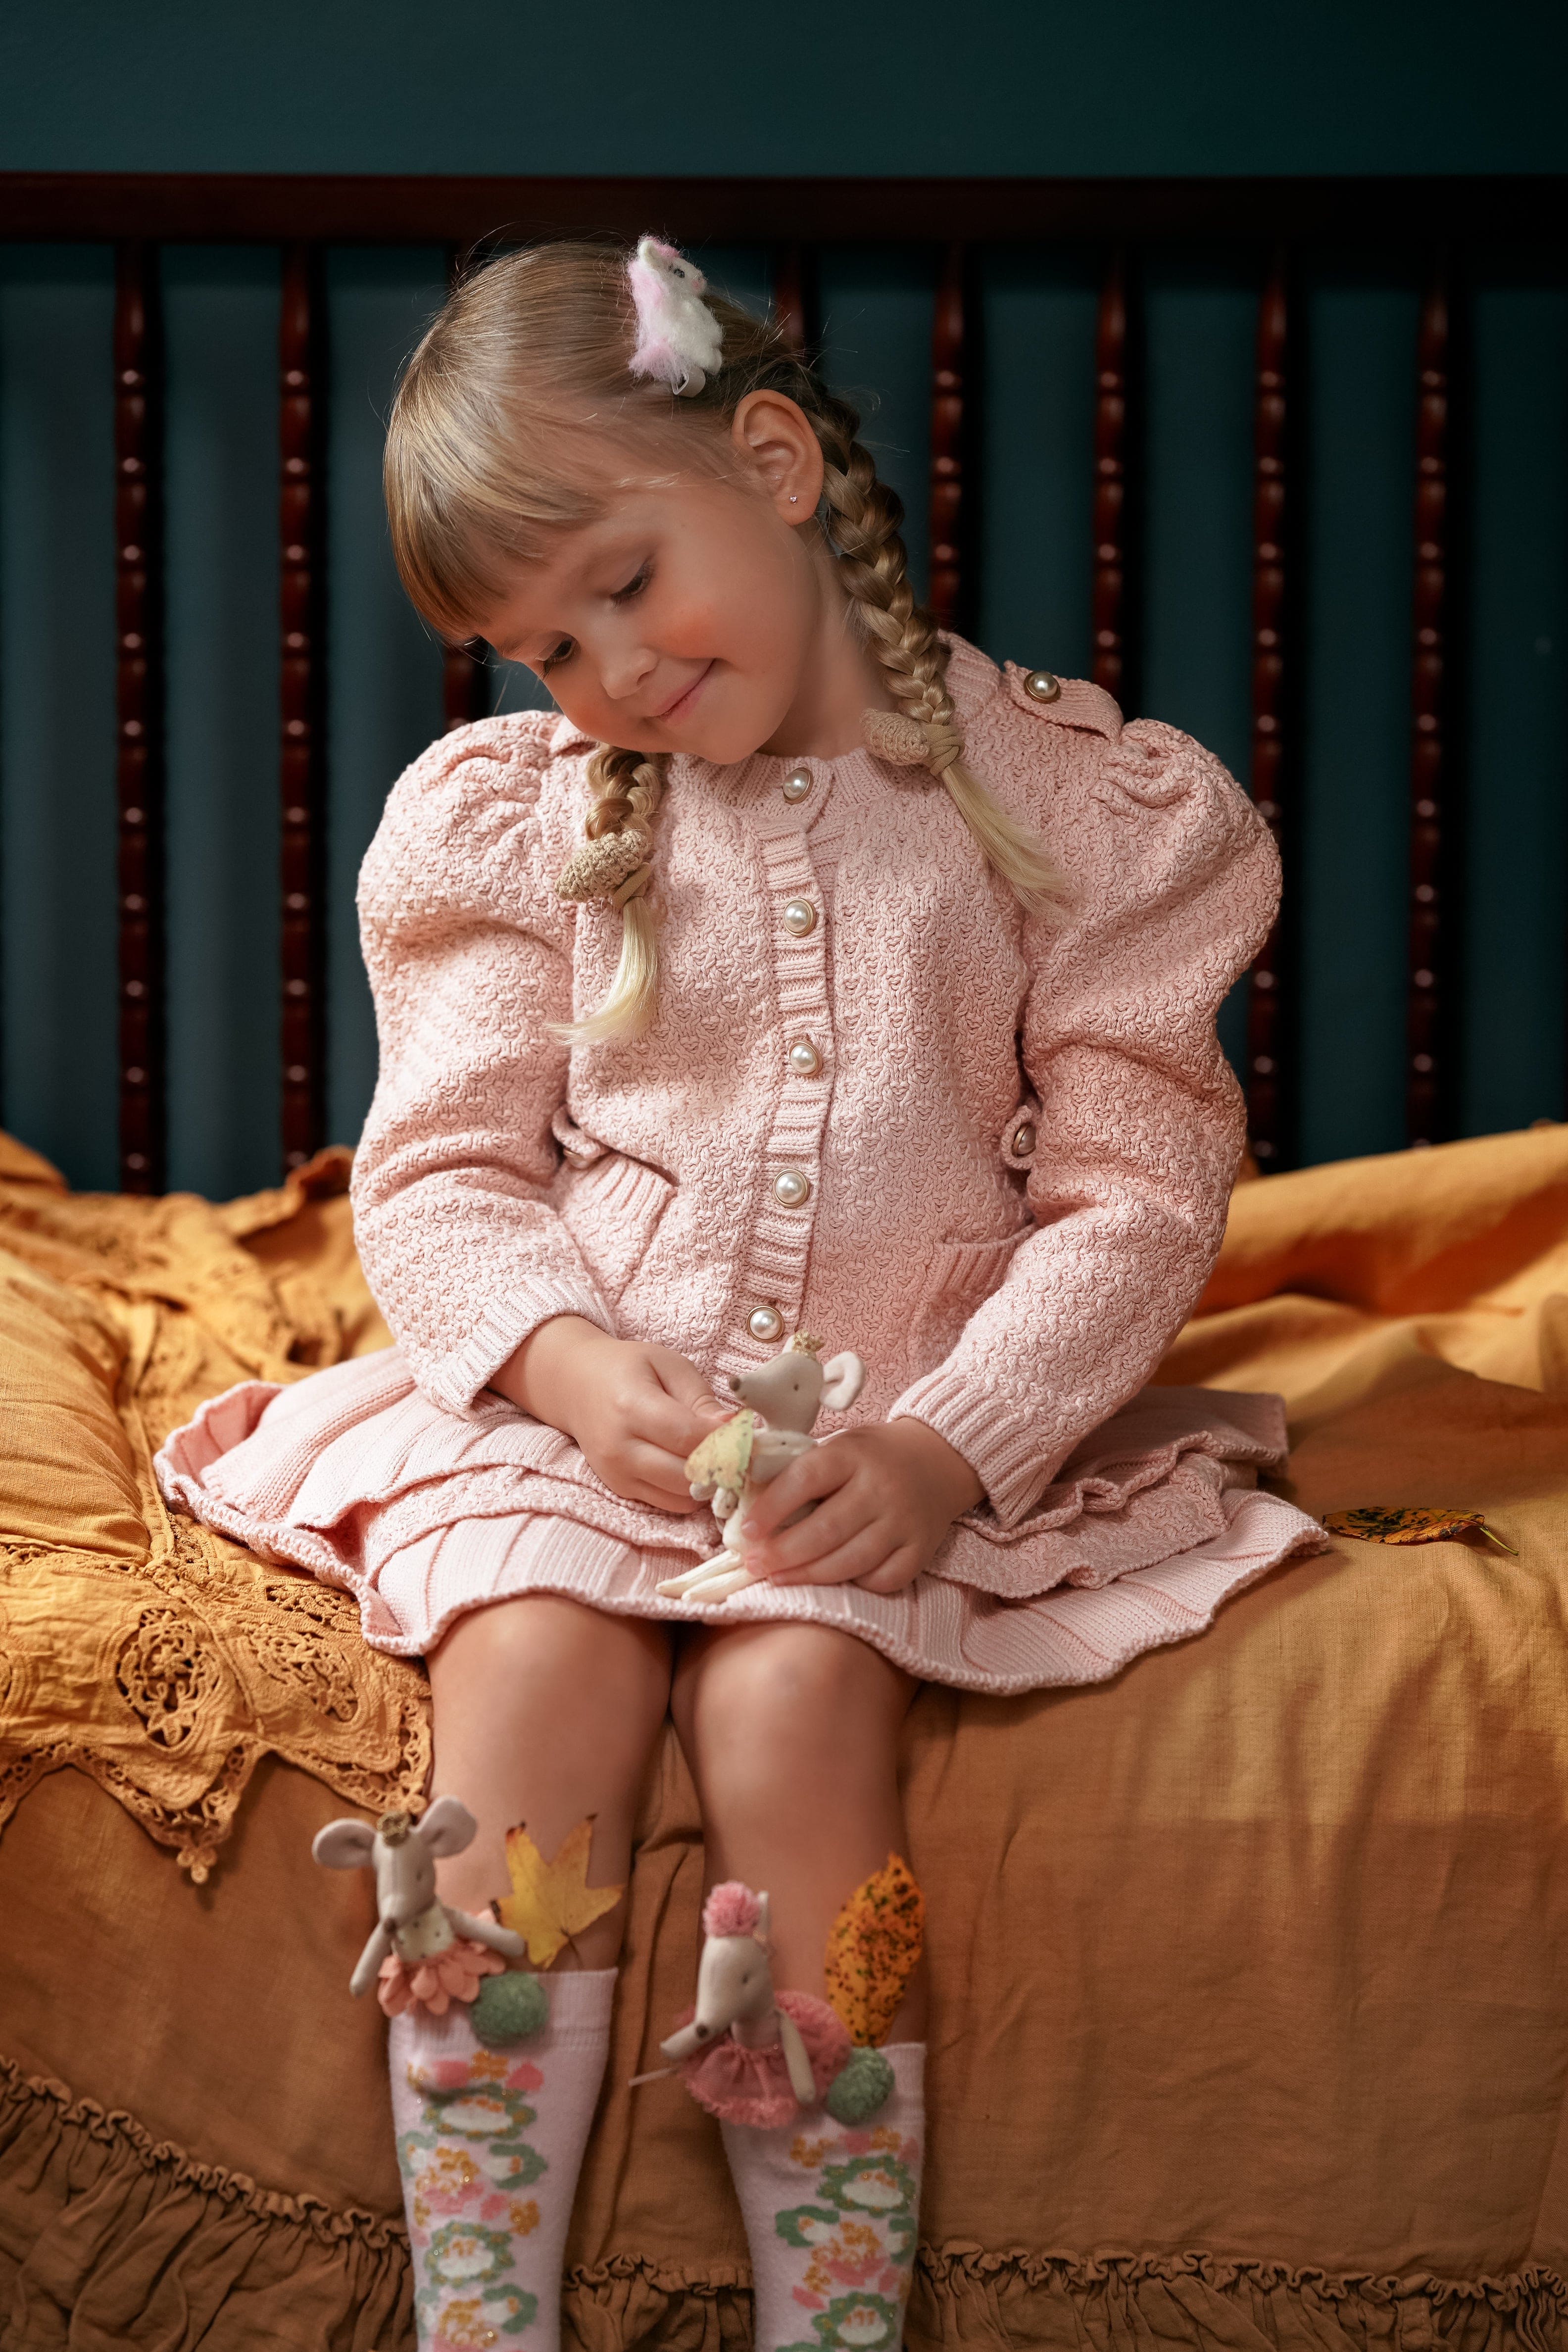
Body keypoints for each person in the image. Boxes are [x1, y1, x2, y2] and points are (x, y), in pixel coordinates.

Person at [157, 235, 1323, 2352]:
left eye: (624, 582)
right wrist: (564, 1356)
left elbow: (1140, 1200)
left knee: (789, 1706)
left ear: (771, 461)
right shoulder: (527, 825)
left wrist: (946, 1447)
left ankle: (836, 2313)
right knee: (528, 1680)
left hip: (899, 1428)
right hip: (597, 1397)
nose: (600, 670)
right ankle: (484, 2313)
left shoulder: (1066, 810)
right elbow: (438, 1173)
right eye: (539, 646)